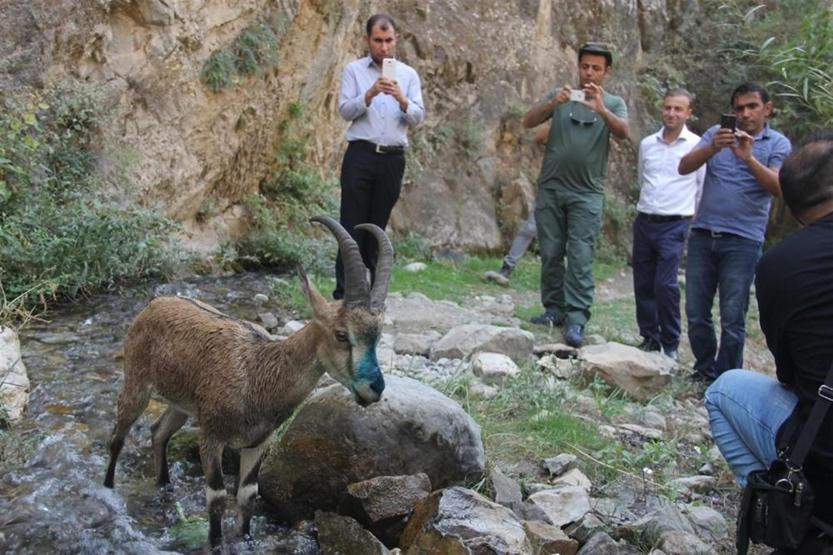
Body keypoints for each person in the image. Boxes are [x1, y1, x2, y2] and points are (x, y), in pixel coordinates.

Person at [704, 130, 833, 551]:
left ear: (791, 207)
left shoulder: (781, 264)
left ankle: (794, 515)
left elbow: (792, 377)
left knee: (724, 390)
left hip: (826, 457)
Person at [678, 82, 790, 381]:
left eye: (752, 106)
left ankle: (726, 377)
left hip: (743, 241)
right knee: (696, 311)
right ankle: (703, 369)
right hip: (703, 234)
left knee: (732, 316)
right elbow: (684, 166)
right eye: (739, 108)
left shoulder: (777, 143)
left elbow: (779, 187)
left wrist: (749, 158)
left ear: (768, 108)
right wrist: (712, 148)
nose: (745, 114)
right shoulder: (717, 134)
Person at [523, 42, 629, 348]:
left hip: (587, 194)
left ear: (607, 71)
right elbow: (528, 121)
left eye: (596, 68)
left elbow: (623, 132)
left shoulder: (613, 102)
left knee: (581, 256)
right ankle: (553, 310)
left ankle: (577, 319)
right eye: (585, 67)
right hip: (552, 188)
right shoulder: (562, 95)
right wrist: (552, 104)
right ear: (578, 67)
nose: (589, 73)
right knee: (551, 252)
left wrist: (602, 109)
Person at [333, 13, 425, 300]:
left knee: (377, 228)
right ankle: (344, 294)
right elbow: (345, 111)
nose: (383, 47)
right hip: (361, 154)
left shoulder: (408, 75)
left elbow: (418, 116)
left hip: (392, 159)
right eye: (378, 40)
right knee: (350, 225)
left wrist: (401, 99)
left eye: (388, 40)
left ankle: (372, 295)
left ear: (396, 39)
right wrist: (369, 94)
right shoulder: (354, 71)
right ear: (367, 40)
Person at [632, 89, 705, 362]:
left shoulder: (697, 145)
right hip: (645, 219)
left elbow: (701, 188)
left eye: (678, 109)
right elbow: (642, 178)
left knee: (666, 284)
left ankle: (670, 342)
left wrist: (690, 220)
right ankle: (649, 337)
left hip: (675, 223)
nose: (672, 113)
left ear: (689, 113)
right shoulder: (647, 144)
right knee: (643, 282)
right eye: (668, 108)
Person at [483, 126, 550, 286]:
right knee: (530, 228)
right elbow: (539, 139)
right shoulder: (563, 117)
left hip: (578, 188)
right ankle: (507, 269)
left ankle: (563, 280)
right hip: (552, 184)